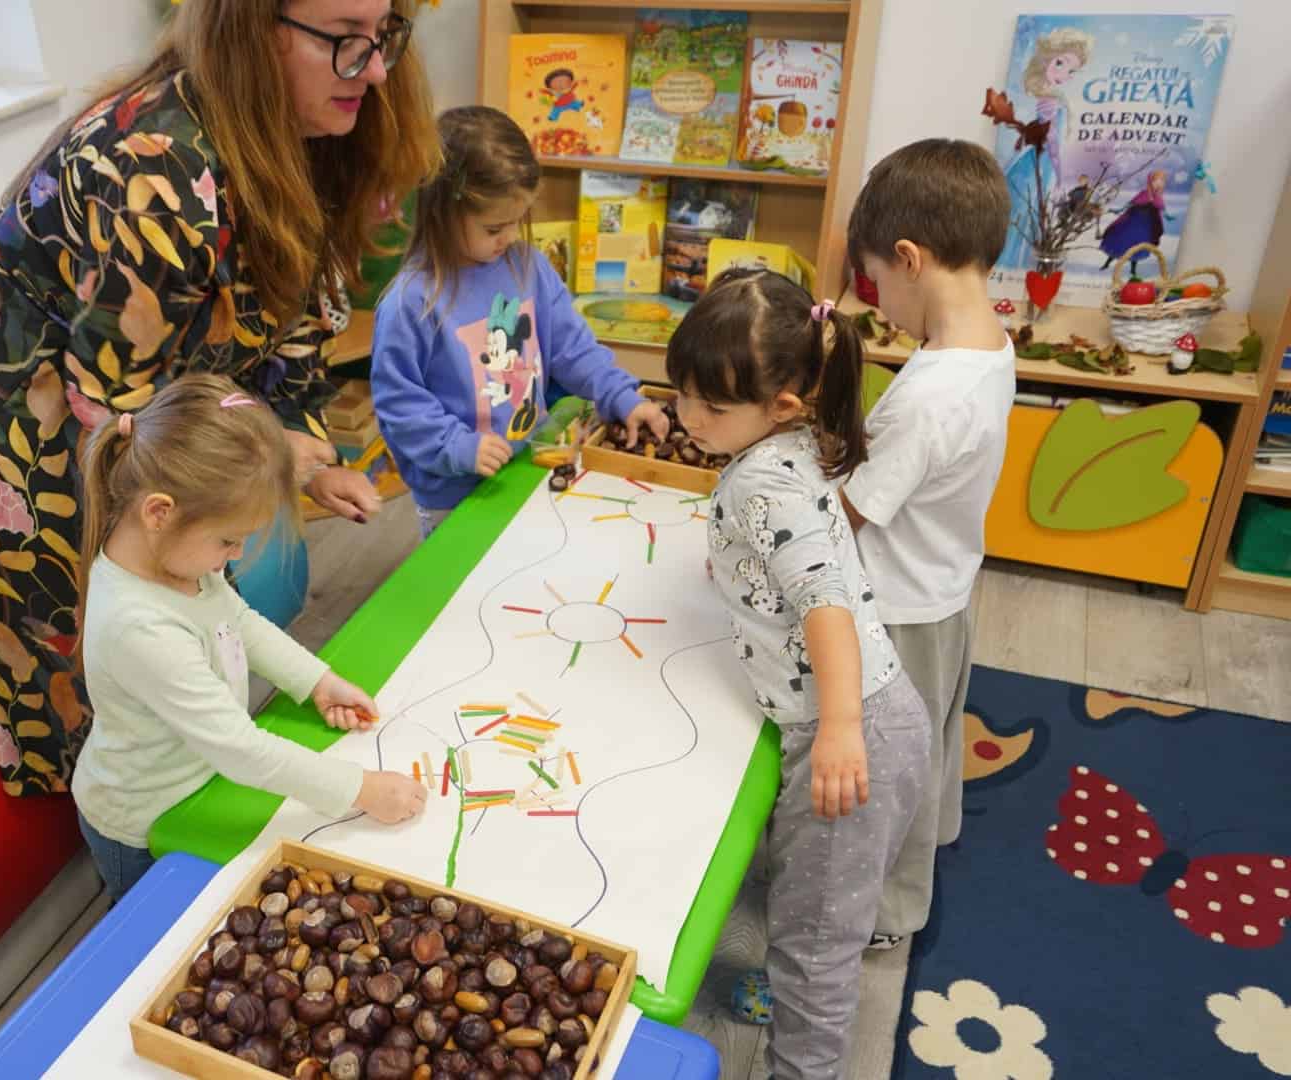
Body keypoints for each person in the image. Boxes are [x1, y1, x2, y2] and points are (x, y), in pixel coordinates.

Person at [0, 0, 440, 794]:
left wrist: (305, 447)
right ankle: (102, 810)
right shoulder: (158, 166)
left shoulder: (306, 126)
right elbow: (120, 407)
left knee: (167, 612)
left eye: (384, 35)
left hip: (127, 397)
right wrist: (264, 451)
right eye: (347, 42)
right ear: (254, 33)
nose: (379, 69)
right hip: (9, 408)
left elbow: (293, 304)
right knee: (73, 638)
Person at [667, 268, 931, 1079]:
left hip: (849, 738)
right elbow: (795, 558)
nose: (688, 418)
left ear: (782, 404)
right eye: (682, 395)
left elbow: (826, 605)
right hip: (861, 719)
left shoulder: (763, 482)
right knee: (806, 908)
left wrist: (840, 730)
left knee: (814, 952)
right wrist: (742, 570)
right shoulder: (786, 445)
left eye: (711, 407)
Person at [71, 374, 426, 900]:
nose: (236, 555)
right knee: (160, 933)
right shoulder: (138, 626)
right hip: (147, 825)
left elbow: (237, 621)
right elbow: (240, 749)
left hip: (202, 782)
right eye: (228, 540)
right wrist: (360, 789)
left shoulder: (176, 559)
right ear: (159, 512)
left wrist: (317, 682)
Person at [840, 138, 1016, 948]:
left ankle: (885, 915)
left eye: (877, 280)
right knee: (930, 739)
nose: (878, 304)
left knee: (883, 771)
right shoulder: (987, 345)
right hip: (943, 586)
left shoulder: (930, 398)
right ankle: (931, 839)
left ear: (910, 258)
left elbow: (849, 514)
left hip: (898, 609)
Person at [370, 106, 666, 538]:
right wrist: (456, 446)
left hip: (530, 466)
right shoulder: (409, 302)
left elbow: (573, 348)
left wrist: (621, 396)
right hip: (455, 492)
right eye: (494, 228)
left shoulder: (528, 266)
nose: (509, 238)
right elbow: (399, 403)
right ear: (441, 214)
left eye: (517, 222)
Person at [996, 26, 1092, 269]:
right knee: (1026, 214)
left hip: (1038, 162)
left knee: (1028, 215)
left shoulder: (1050, 97)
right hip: (1040, 164)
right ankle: (1011, 264)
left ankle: (1014, 264)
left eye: (1071, 71)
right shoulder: (1048, 101)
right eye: (1060, 63)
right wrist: (1059, 174)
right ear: (1045, 59)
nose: (1064, 74)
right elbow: (1052, 141)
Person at [1099, 169, 1174, 274]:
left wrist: (1167, 216)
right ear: (1150, 181)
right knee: (1122, 241)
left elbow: (1161, 208)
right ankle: (1107, 263)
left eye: (1161, 181)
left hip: (1146, 227)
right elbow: (1131, 203)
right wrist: (1120, 209)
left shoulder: (1158, 197)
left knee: (1138, 245)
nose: (1158, 183)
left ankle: (1133, 269)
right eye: (1156, 180)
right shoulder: (1144, 193)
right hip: (1132, 222)